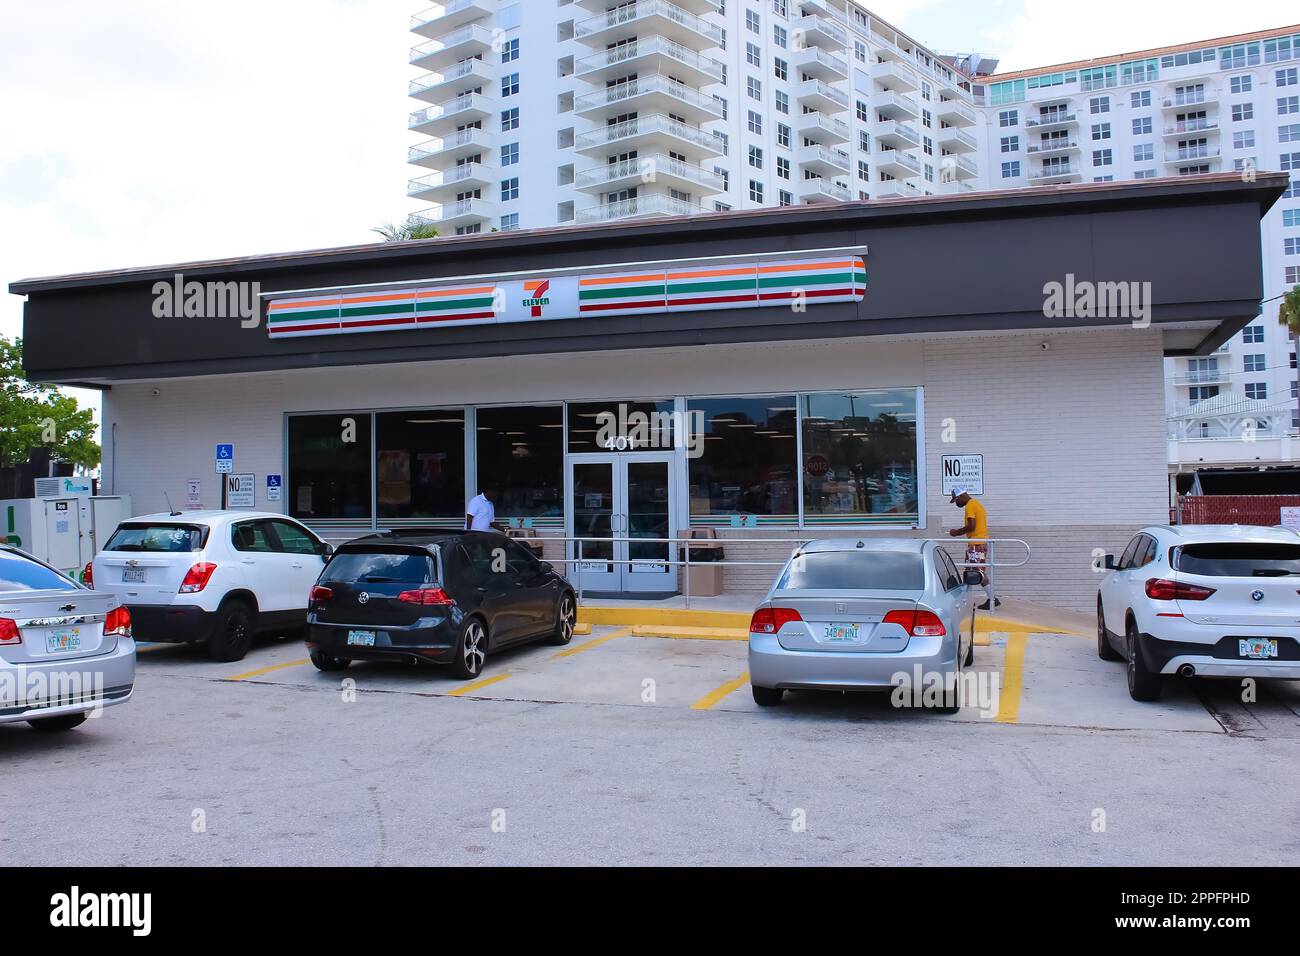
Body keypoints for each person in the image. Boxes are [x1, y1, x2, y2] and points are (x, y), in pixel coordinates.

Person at [948, 486, 999, 610]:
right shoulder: (976, 504)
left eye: (956, 500)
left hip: (976, 544)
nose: (956, 504)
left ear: (961, 496)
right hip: (978, 543)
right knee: (973, 572)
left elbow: (971, 526)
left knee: (976, 573)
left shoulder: (970, 505)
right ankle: (990, 598)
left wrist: (956, 532)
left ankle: (992, 599)